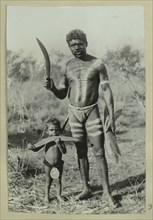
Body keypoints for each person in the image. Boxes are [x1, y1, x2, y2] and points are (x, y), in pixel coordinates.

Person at [43, 29, 117, 207]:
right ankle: (86, 188)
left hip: (92, 111)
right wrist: (52, 87)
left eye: (80, 44)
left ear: (86, 43)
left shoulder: (97, 64)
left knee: (99, 151)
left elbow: (106, 91)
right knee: (81, 152)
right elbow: (62, 94)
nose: (77, 47)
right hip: (74, 113)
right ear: (69, 47)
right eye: (73, 45)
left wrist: (111, 115)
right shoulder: (67, 66)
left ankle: (107, 193)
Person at [28, 117, 66, 204]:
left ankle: (59, 196)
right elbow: (36, 149)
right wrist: (31, 147)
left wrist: (59, 144)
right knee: (48, 180)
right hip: (48, 164)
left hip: (58, 164)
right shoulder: (46, 141)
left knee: (58, 180)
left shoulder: (60, 140)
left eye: (56, 130)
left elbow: (64, 152)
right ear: (47, 131)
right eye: (51, 130)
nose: (54, 132)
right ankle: (46, 196)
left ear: (59, 130)